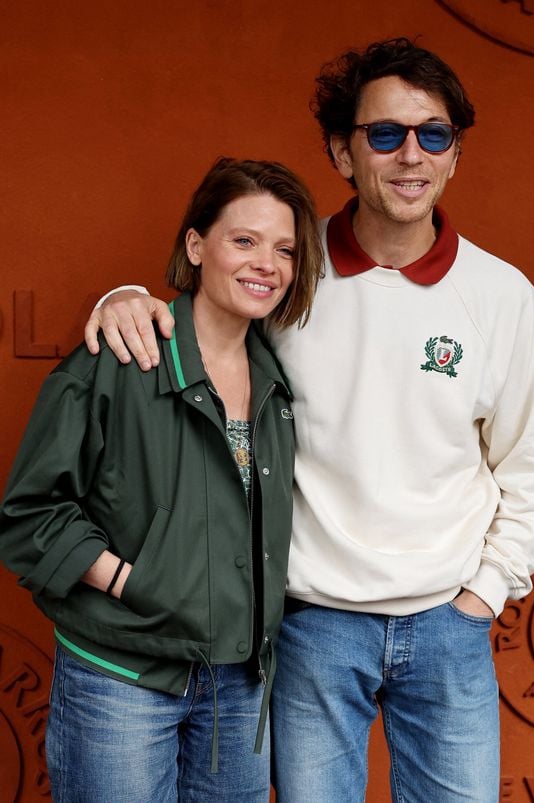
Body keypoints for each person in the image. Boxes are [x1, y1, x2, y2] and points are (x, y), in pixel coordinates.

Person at [84, 39, 534, 803]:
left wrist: (483, 595)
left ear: (453, 156)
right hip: (311, 624)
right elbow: (196, 319)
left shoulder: (502, 296)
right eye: (385, 134)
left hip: (448, 621)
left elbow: (530, 469)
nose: (411, 155)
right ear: (343, 152)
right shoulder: (288, 279)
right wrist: (117, 297)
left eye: (433, 134)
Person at [0, 156, 323, 803]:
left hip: (238, 685)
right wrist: (131, 581)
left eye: (284, 249)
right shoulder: (120, 357)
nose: (267, 263)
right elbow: (30, 512)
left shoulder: (281, 380)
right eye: (244, 240)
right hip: (122, 677)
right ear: (196, 244)